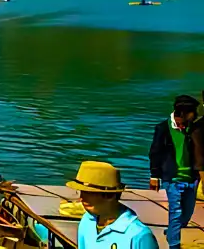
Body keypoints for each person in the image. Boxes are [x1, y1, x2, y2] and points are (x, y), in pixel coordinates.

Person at [149, 95, 200, 249]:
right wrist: (154, 176)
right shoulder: (163, 128)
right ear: (182, 113)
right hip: (172, 178)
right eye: (193, 113)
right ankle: (174, 245)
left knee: (187, 213)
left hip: (191, 178)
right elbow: (155, 152)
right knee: (176, 213)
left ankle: (172, 231)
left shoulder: (193, 128)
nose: (196, 116)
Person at [69, 161, 157, 249]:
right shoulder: (86, 221)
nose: (81, 198)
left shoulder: (139, 235)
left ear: (110, 195)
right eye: (81, 192)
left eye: (88, 193)